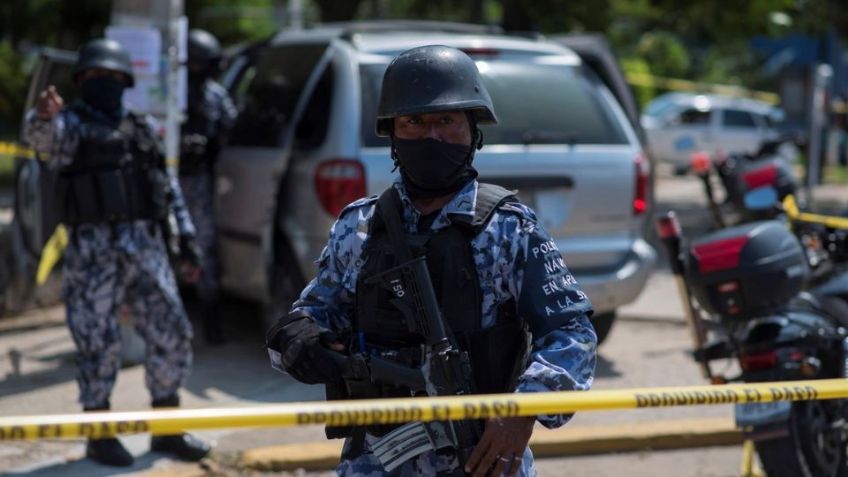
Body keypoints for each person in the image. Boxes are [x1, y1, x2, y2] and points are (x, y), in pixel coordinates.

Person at [265, 45, 597, 476]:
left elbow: (572, 332)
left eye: (447, 121)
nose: (432, 136)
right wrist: (302, 342)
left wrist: (522, 410)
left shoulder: (509, 229)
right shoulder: (359, 227)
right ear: (393, 133)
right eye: (414, 122)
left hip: (482, 458)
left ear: (473, 130)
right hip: (376, 460)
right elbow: (308, 318)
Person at [24, 38, 210, 467]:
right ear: (81, 81)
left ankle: (166, 428)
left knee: (170, 331)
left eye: (110, 77)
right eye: (93, 77)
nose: (102, 83)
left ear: (125, 81)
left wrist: (186, 240)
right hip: (93, 253)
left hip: (145, 246)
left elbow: (168, 188)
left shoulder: (141, 127)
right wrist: (42, 116)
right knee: (97, 343)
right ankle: (99, 433)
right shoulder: (68, 124)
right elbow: (44, 141)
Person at [179, 28, 237, 345]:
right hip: (168, 180)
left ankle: (211, 321)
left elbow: (231, 126)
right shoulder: (167, 93)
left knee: (204, 250)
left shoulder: (214, 95)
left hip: (200, 181)